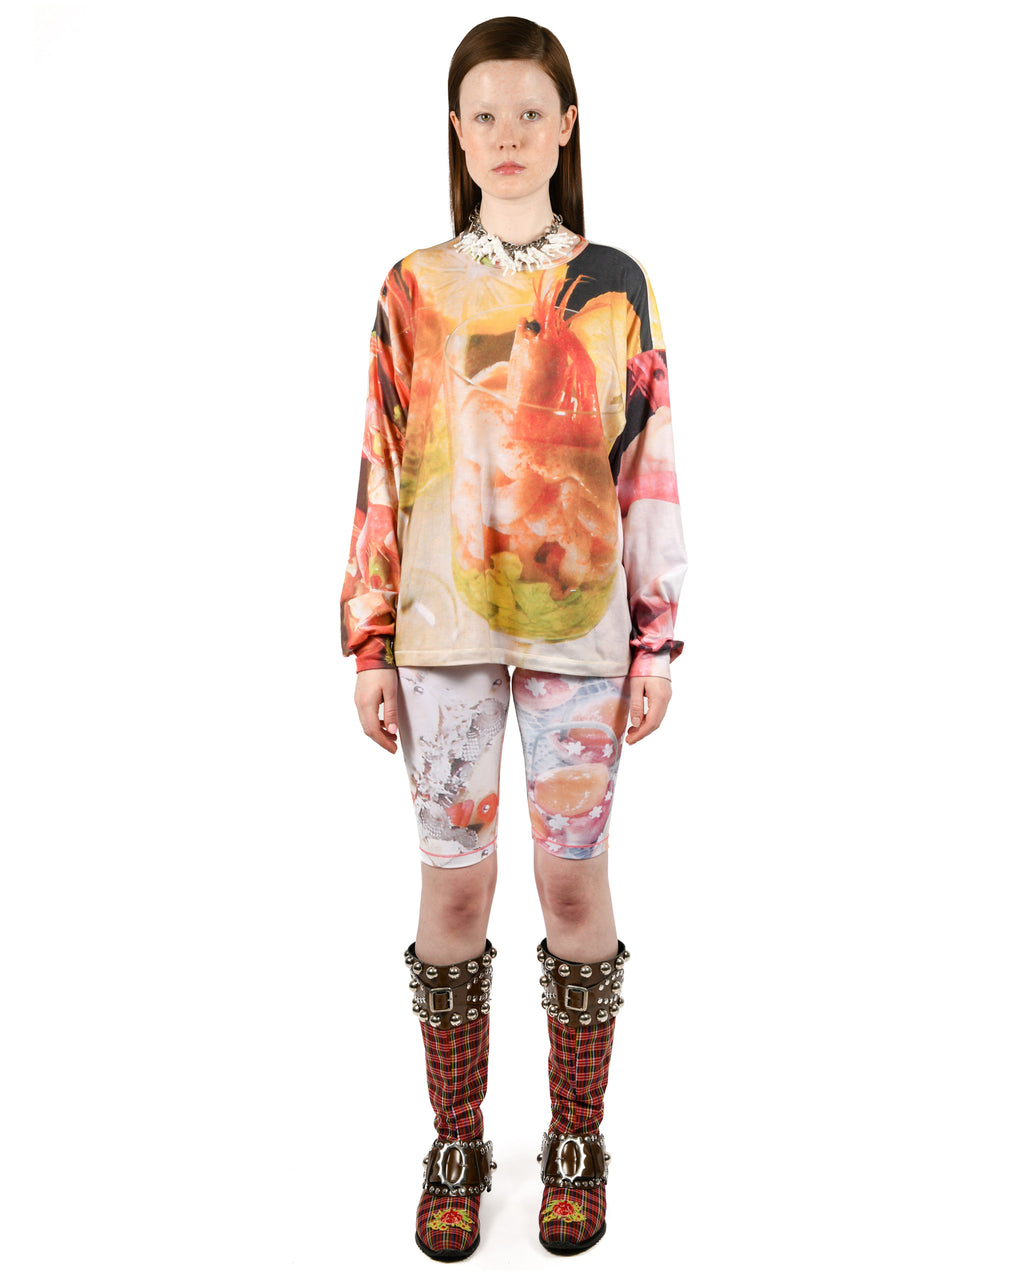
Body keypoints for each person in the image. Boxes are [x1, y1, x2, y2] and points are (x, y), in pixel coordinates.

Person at [339, 15, 687, 1262]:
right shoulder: (414, 288)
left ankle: (576, 1137)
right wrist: (369, 635)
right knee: (454, 886)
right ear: (456, 129)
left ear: (566, 127)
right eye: (483, 113)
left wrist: (657, 639)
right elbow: (381, 463)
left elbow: (646, 464)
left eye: (530, 112)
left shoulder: (616, 284)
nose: (507, 134)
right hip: (440, 632)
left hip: (581, 632)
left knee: (572, 880)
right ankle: (456, 1139)